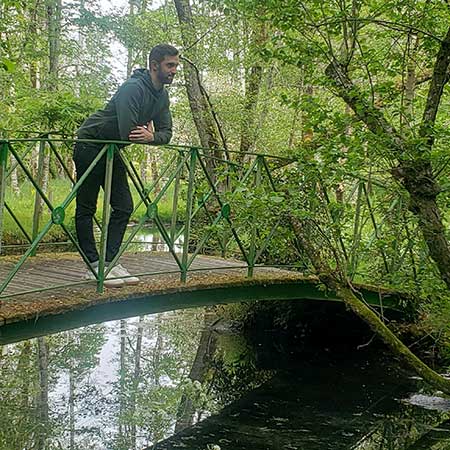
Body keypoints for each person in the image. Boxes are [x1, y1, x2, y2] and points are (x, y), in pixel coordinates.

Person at [73, 44, 179, 288]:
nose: (174, 70)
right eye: (169, 65)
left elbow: (166, 133)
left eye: (175, 65)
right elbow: (127, 132)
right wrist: (146, 134)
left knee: (123, 206)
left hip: (112, 149)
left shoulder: (162, 95)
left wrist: (152, 136)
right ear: (155, 65)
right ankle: (93, 265)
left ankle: (109, 262)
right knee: (86, 206)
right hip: (91, 144)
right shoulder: (132, 89)